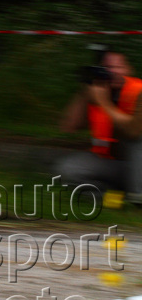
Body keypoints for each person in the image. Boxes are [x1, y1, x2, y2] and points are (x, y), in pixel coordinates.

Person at [56, 51, 142, 203]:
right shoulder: (98, 91)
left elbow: (134, 131)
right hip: (115, 165)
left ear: (129, 70)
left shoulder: (138, 90)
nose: (113, 71)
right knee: (67, 169)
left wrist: (103, 102)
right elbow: (68, 126)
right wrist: (84, 92)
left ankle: (137, 198)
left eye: (118, 67)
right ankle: (116, 200)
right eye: (107, 67)